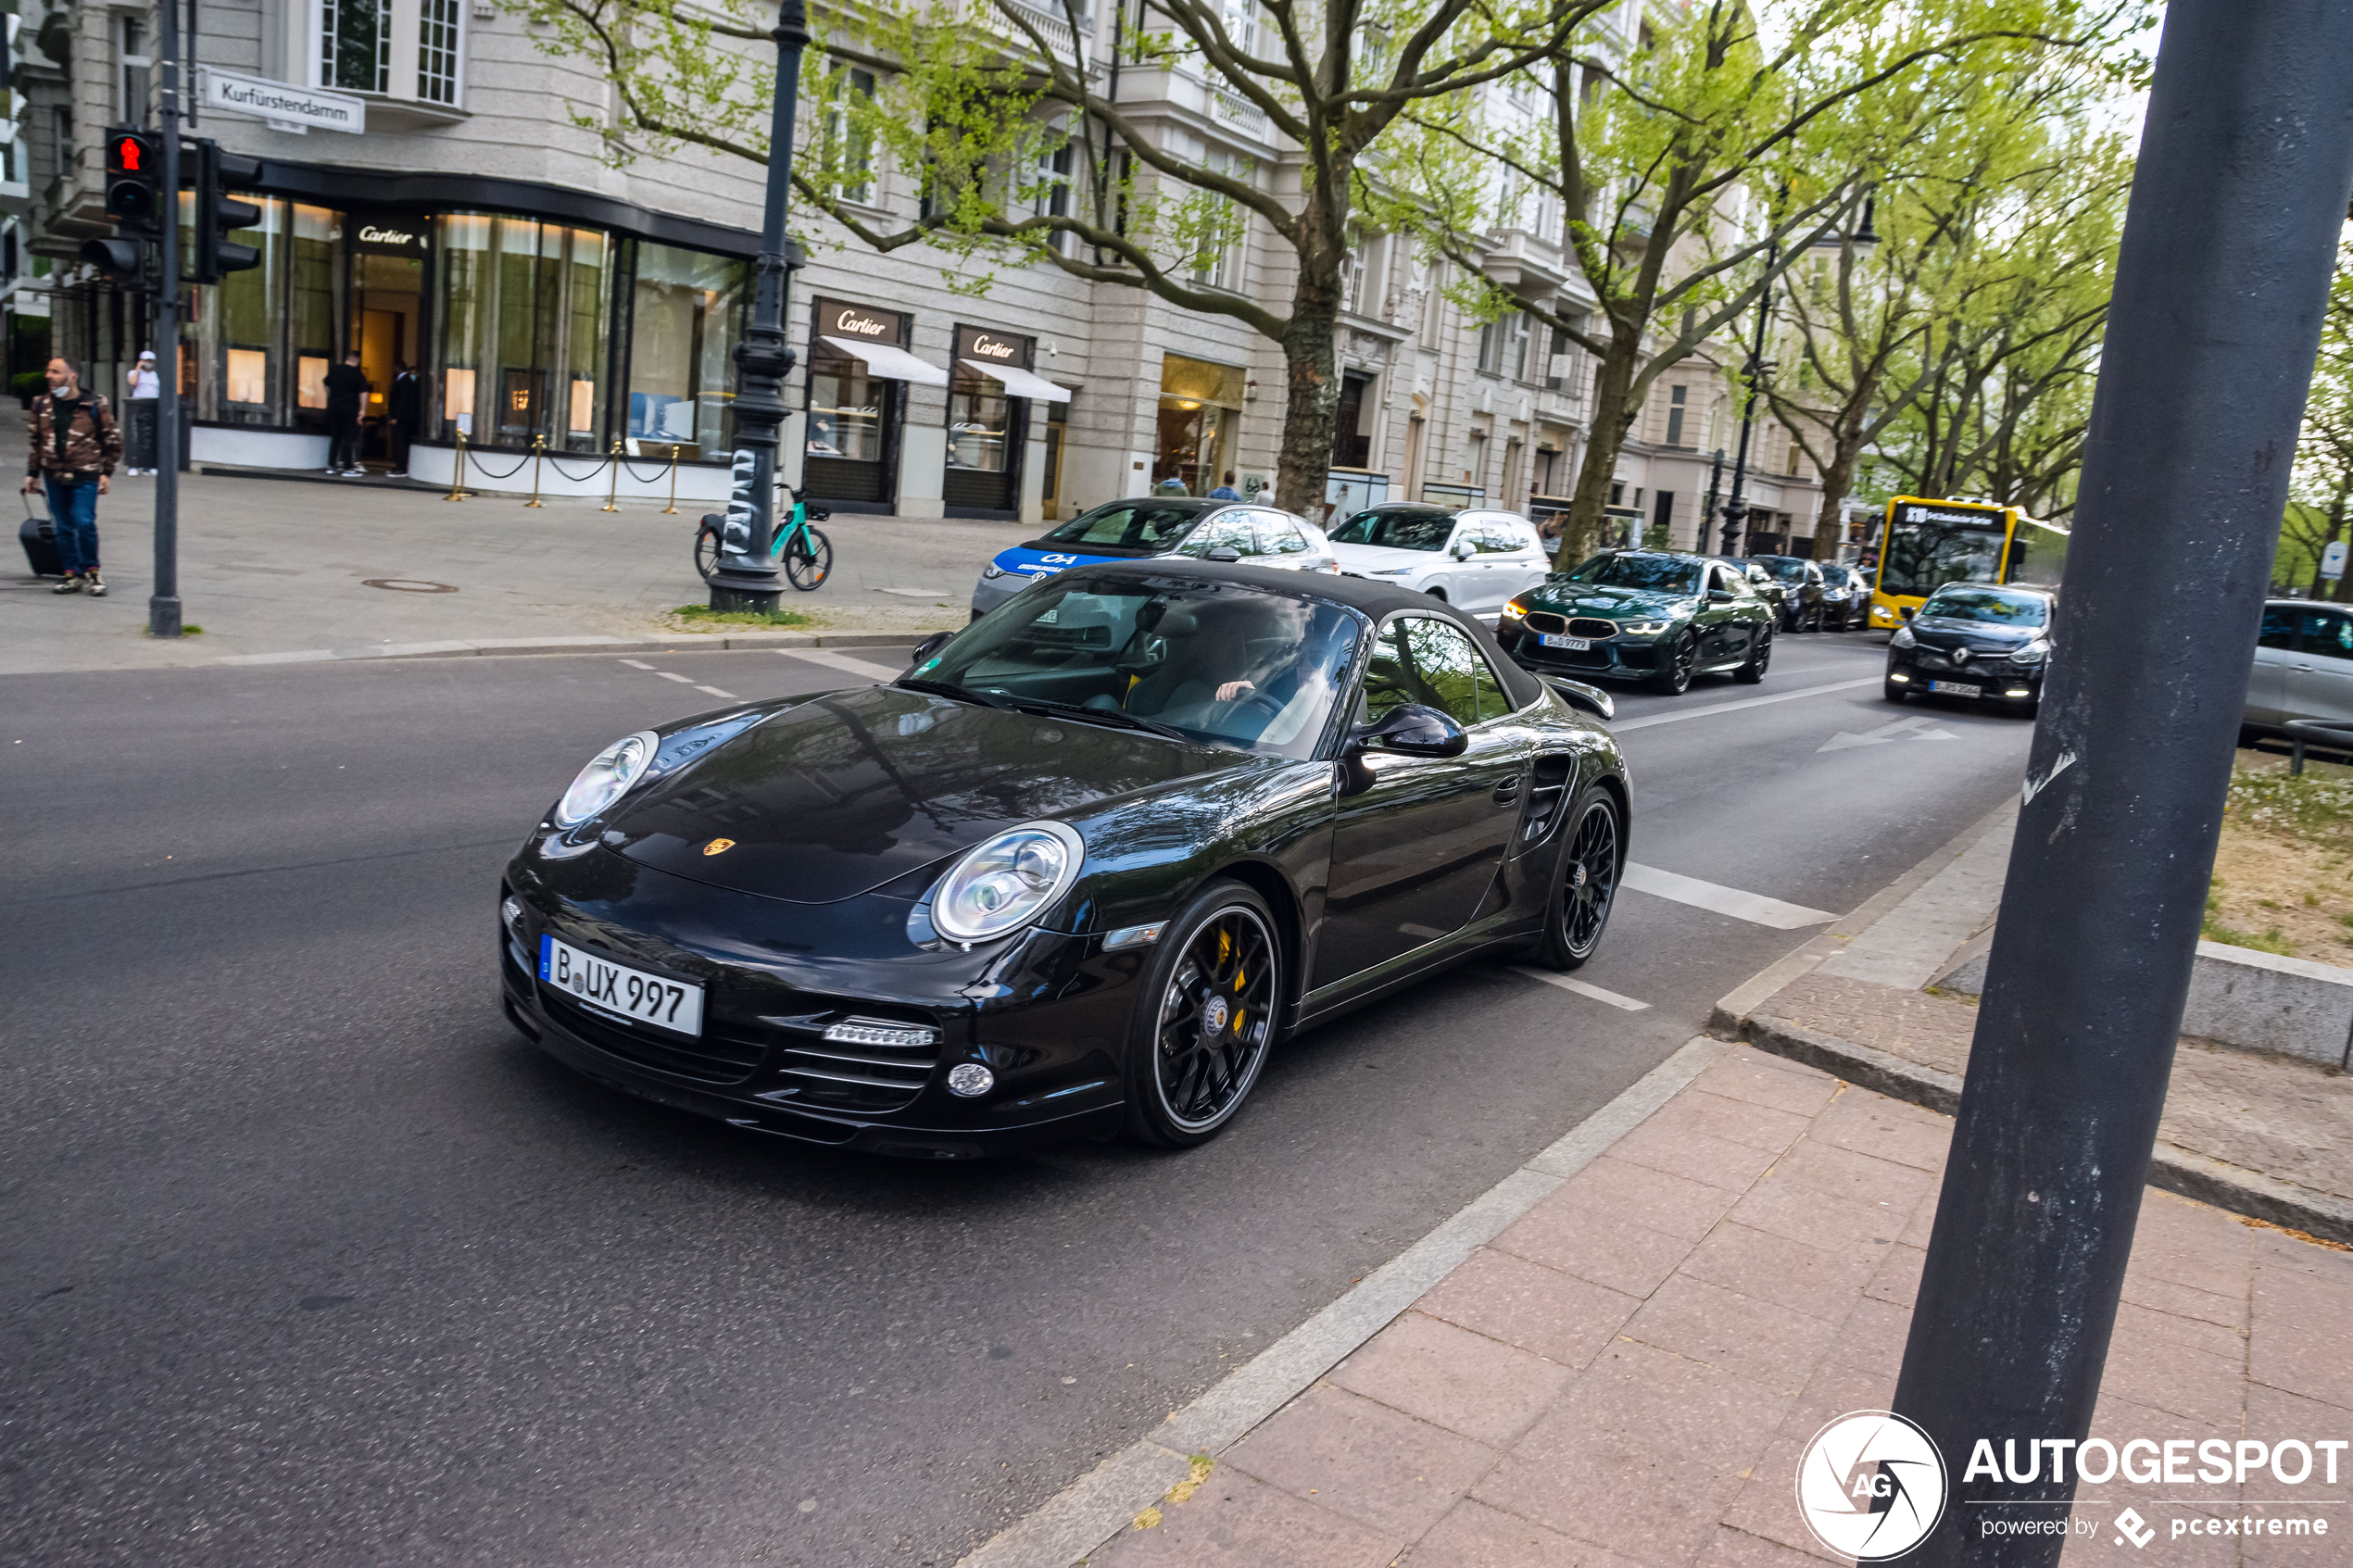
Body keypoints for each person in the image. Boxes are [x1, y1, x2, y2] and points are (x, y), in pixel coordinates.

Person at [23, 357, 120, 596]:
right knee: (63, 527)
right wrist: (32, 474)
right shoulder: (40, 404)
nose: (49, 376)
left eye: (55, 372)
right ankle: (71, 573)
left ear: (72, 376)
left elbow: (114, 441)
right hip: (53, 475)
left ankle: (93, 571)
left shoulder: (95, 404)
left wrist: (106, 473)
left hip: (85, 476)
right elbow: (36, 443)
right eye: (48, 371)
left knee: (83, 521)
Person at [324, 351, 369, 476]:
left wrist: (330, 398)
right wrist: (363, 410)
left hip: (334, 407)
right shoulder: (357, 374)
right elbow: (364, 393)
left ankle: (331, 466)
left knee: (336, 436)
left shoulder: (335, 370)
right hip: (350, 408)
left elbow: (326, 384)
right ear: (357, 361)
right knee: (348, 437)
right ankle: (348, 468)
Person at [125, 349, 160, 475]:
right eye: (146, 361)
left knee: (150, 436)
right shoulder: (134, 373)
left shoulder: (155, 375)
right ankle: (133, 465)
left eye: (150, 361)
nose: (149, 363)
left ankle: (149, 465)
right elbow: (132, 382)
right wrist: (138, 369)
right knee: (136, 436)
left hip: (152, 406)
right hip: (138, 406)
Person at [385, 361, 419, 477]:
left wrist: (396, 417)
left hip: (403, 418)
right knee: (399, 442)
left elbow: (402, 401)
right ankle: (399, 464)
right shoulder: (405, 380)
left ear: (398, 368)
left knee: (402, 442)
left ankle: (402, 467)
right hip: (403, 417)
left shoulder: (404, 381)